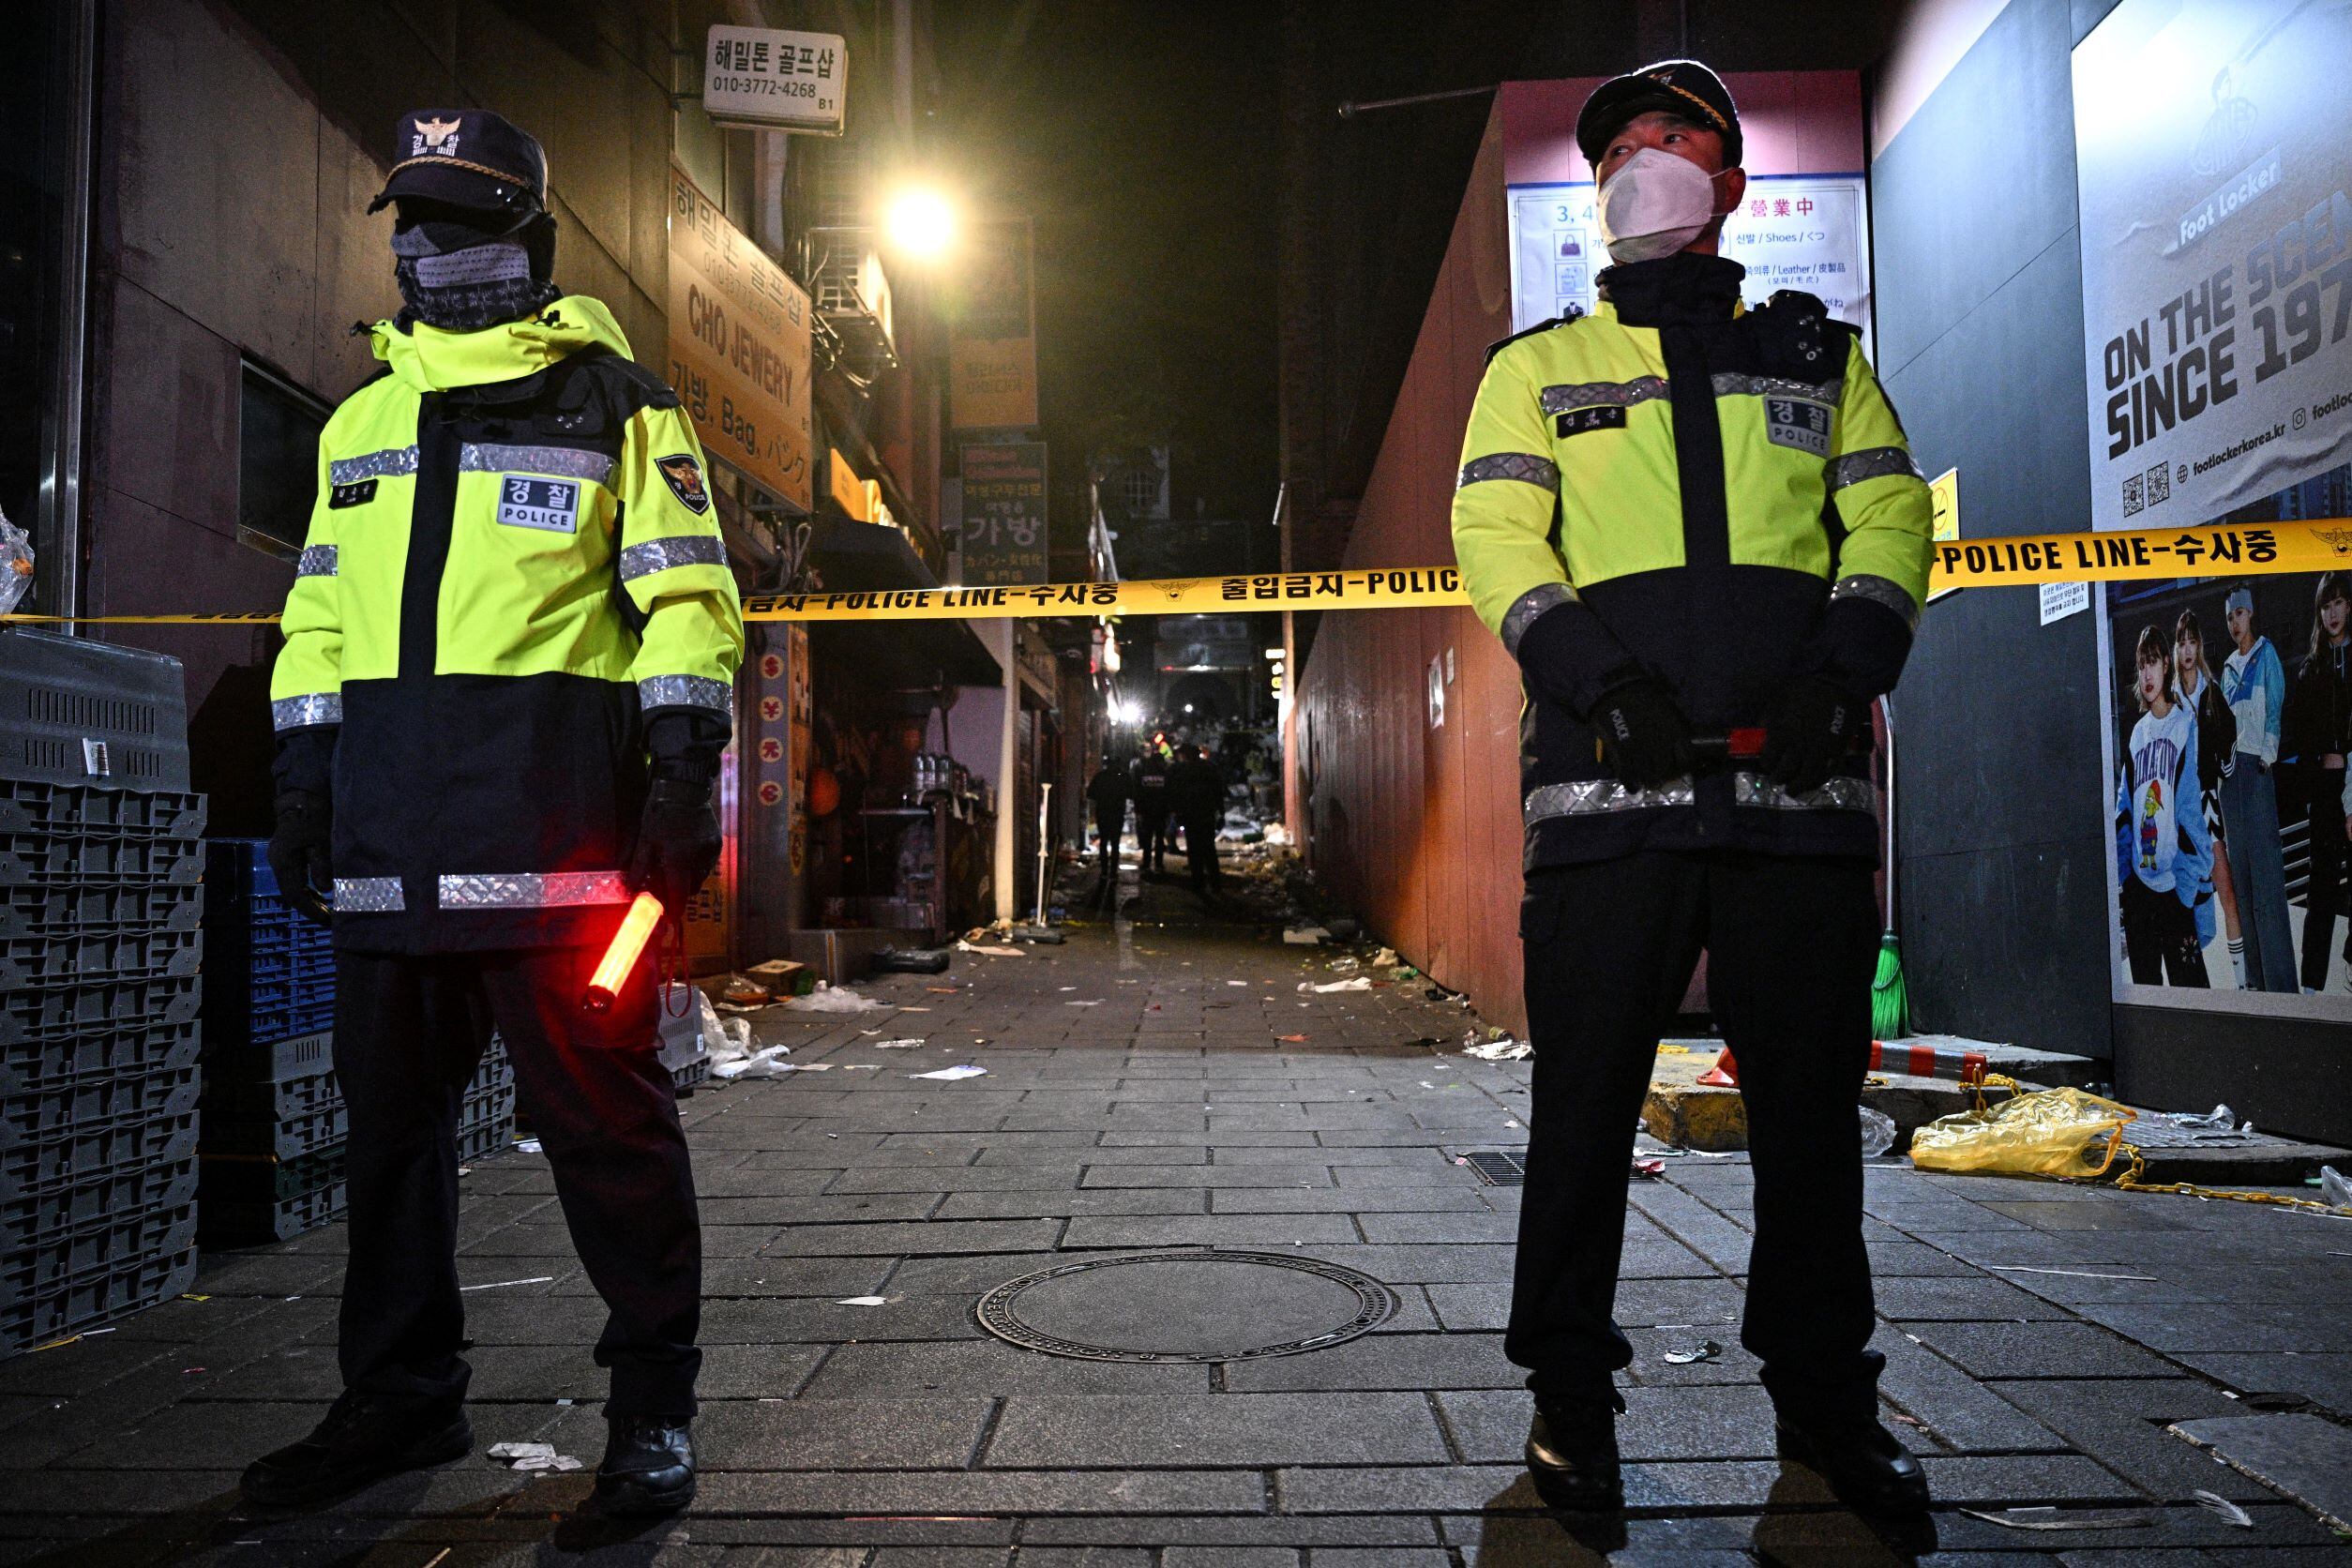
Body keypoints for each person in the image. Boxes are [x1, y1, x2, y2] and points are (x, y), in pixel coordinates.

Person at [1450, 61, 1935, 1520]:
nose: (1650, 160)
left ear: (1731, 184)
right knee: (1585, 1115)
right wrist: (1605, 682)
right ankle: (1569, 1408)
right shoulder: (1533, 368)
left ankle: (1828, 1412)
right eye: (1627, 146)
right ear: (1601, 192)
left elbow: (1891, 512)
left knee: (1808, 1123)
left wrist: (1840, 667)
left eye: (1681, 141)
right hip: (1612, 808)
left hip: (1796, 806)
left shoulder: (1823, 361)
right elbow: (1496, 533)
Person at [249, 109, 744, 1517]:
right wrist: (301, 784)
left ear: (525, 238)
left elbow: (692, 603)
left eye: (459, 225)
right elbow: (320, 622)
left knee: (611, 1136)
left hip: (565, 859)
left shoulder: (624, 405)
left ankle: (651, 1410)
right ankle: (399, 1406)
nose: (425, 249)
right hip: (392, 856)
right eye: (411, 223)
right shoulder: (363, 420)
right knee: (390, 1151)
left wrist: (678, 766)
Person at [2116, 626, 2212, 986]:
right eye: (2141, 665)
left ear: (2167, 665)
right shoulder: (2137, 734)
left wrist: (2186, 890)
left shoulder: (2184, 725)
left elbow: (2191, 812)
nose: (2146, 674)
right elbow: (2123, 810)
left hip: (2175, 888)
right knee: (2148, 1005)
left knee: (2194, 1003)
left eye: (2152, 662)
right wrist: (2127, 880)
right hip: (2141, 890)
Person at [2220, 586, 2299, 992]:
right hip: (2232, 779)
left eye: (2241, 615)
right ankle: (2256, 985)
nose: (2236, 624)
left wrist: (2268, 755)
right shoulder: (2228, 668)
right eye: (2230, 617)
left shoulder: (2266, 656)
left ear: (2251, 614)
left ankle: (2282, 984)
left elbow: (2275, 711)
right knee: (2244, 883)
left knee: (2267, 884)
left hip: (2259, 768)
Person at [2284, 572, 2352, 993]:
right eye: (2325, 606)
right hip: (2326, 792)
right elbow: (2303, 741)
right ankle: (2311, 986)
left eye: (2338, 603)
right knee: (2321, 885)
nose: (2332, 613)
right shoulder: (2311, 669)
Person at [2172, 610, 2237, 979]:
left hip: (2208, 804)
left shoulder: (2211, 693)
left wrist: (2218, 772)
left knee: (2225, 891)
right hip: (2181, 811)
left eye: (2192, 642)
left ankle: (2241, 983)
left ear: (2199, 646)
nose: (2187, 650)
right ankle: (2194, 980)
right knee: (2187, 900)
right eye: (2181, 643)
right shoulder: (2172, 698)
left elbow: (2229, 737)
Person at [1169, 743, 1227, 896]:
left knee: (1194, 850)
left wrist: (1178, 813)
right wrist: (1221, 812)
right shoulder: (1209, 768)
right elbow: (1218, 791)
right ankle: (1215, 884)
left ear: (1186, 755)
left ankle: (1198, 884)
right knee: (1209, 849)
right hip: (1206, 814)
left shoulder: (1183, 770)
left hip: (1191, 816)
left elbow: (1177, 793)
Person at [1085, 752, 1131, 882]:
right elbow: (1130, 793)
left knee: (1104, 842)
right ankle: (1113, 872)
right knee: (1115, 843)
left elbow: (1091, 794)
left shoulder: (1100, 777)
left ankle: (1104, 871)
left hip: (1103, 813)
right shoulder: (1123, 777)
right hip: (1117, 813)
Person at [1131, 741, 1173, 877]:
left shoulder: (1142, 770)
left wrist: (1138, 811)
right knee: (1159, 839)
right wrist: (1169, 810)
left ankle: (1146, 863)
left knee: (1147, 838)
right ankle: (1159, 864)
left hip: (1147, 810)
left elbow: (1138, 792)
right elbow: (1168, 792)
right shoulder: (1165, 773)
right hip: (1160, 811)